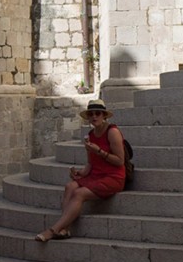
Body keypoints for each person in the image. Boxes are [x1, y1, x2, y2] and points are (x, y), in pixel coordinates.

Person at [35, 99, 127, 242]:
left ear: (104, 116)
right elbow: (90, 163)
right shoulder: (90, 135)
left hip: (113, 177)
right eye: (91, 114)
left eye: (98, 114)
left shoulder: (112, 132)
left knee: (79, 193)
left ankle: (53, 230)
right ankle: (65, 229)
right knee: (70, 186)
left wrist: (100, 152)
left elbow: (120, 161)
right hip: (96, 175)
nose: (94, 117)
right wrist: (81, 172)